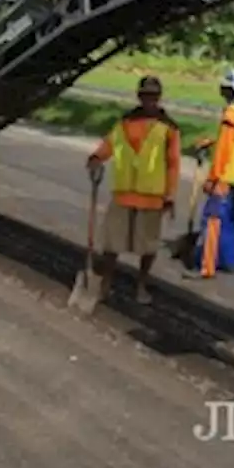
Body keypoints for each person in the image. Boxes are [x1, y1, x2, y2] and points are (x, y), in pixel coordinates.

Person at [86, 76, 181, 304]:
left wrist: (169, 195)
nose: (149, 100)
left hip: (152, 197)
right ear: (139, 96)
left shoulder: (168, 128)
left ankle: (141, 286)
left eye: (153, 96)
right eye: (145, 95)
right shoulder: (125, 122)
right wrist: (97, 157)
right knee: (111, 243)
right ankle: (105, 283)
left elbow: (173, 163)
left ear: (159, 98)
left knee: (148, 246)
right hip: (123, 194)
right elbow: (110, 144)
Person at [183, 68, 234, 279]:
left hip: (228, 175)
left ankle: (207, 266)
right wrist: (212, 142)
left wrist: (213, 178)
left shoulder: (231, 114)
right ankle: (227, 261)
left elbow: (226, 150)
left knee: (213, 219)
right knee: (232, 220)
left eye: (224, 87)